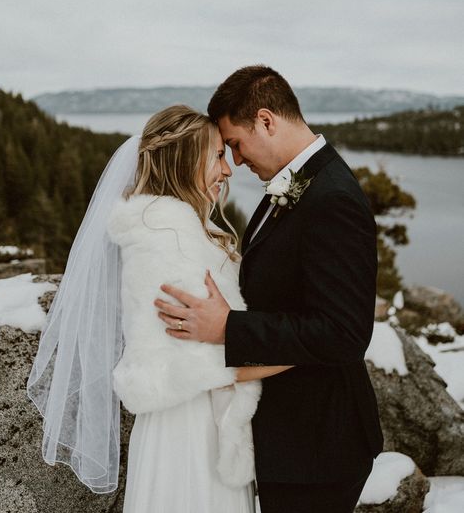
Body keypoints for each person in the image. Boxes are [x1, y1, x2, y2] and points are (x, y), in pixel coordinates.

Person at [27, 104, 292, 512]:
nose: (228, 170)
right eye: (218, 156)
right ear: (185, 161)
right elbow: (195, 360)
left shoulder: (183, 228)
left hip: (204, 422)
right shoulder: (163, 235)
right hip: (186, 433)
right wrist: (301, 351)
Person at [155, 67, 384, 513]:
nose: (235, 162)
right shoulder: (293, 183)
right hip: (292, 439)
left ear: (265, 120)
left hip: (318, 446)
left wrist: (228, 328)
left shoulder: (331, 197)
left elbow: (344, 333)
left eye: (236, 144)